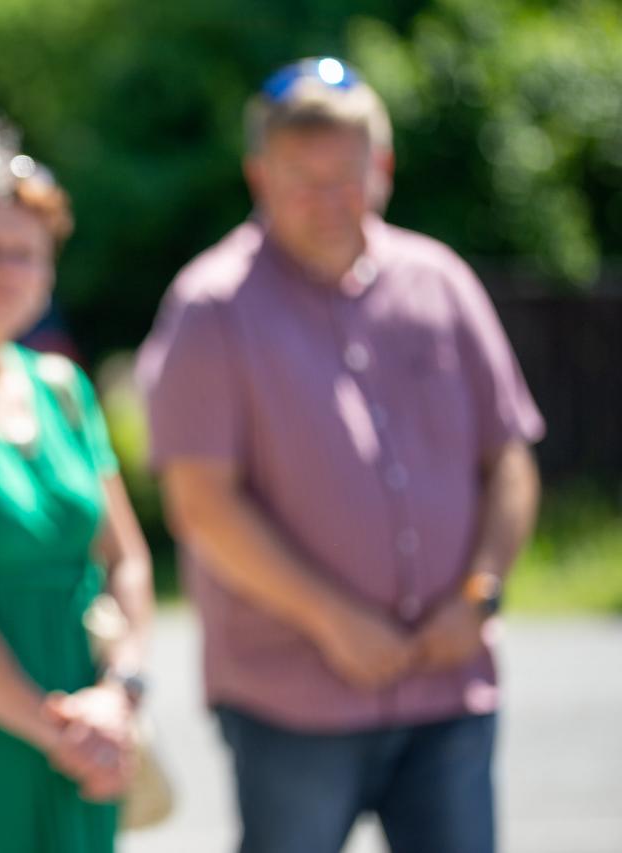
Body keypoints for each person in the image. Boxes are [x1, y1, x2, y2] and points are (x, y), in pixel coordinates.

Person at [137, 57, 544, 853]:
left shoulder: (441, 281)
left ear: (382, 167)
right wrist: (334, 620)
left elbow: (509, 458)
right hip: (293, 698)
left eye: (347, 177)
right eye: (302, 180)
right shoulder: (211, 306)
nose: (328, 201)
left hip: (448, 688)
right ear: (259, 175)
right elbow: (201, 504)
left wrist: (482, 591)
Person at [0, 156, 155, 853]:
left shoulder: (63, 388)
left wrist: (119, 693)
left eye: (26, 254)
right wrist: (58, 730)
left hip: (95, 729)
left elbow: (126, 558)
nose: (6, 271)